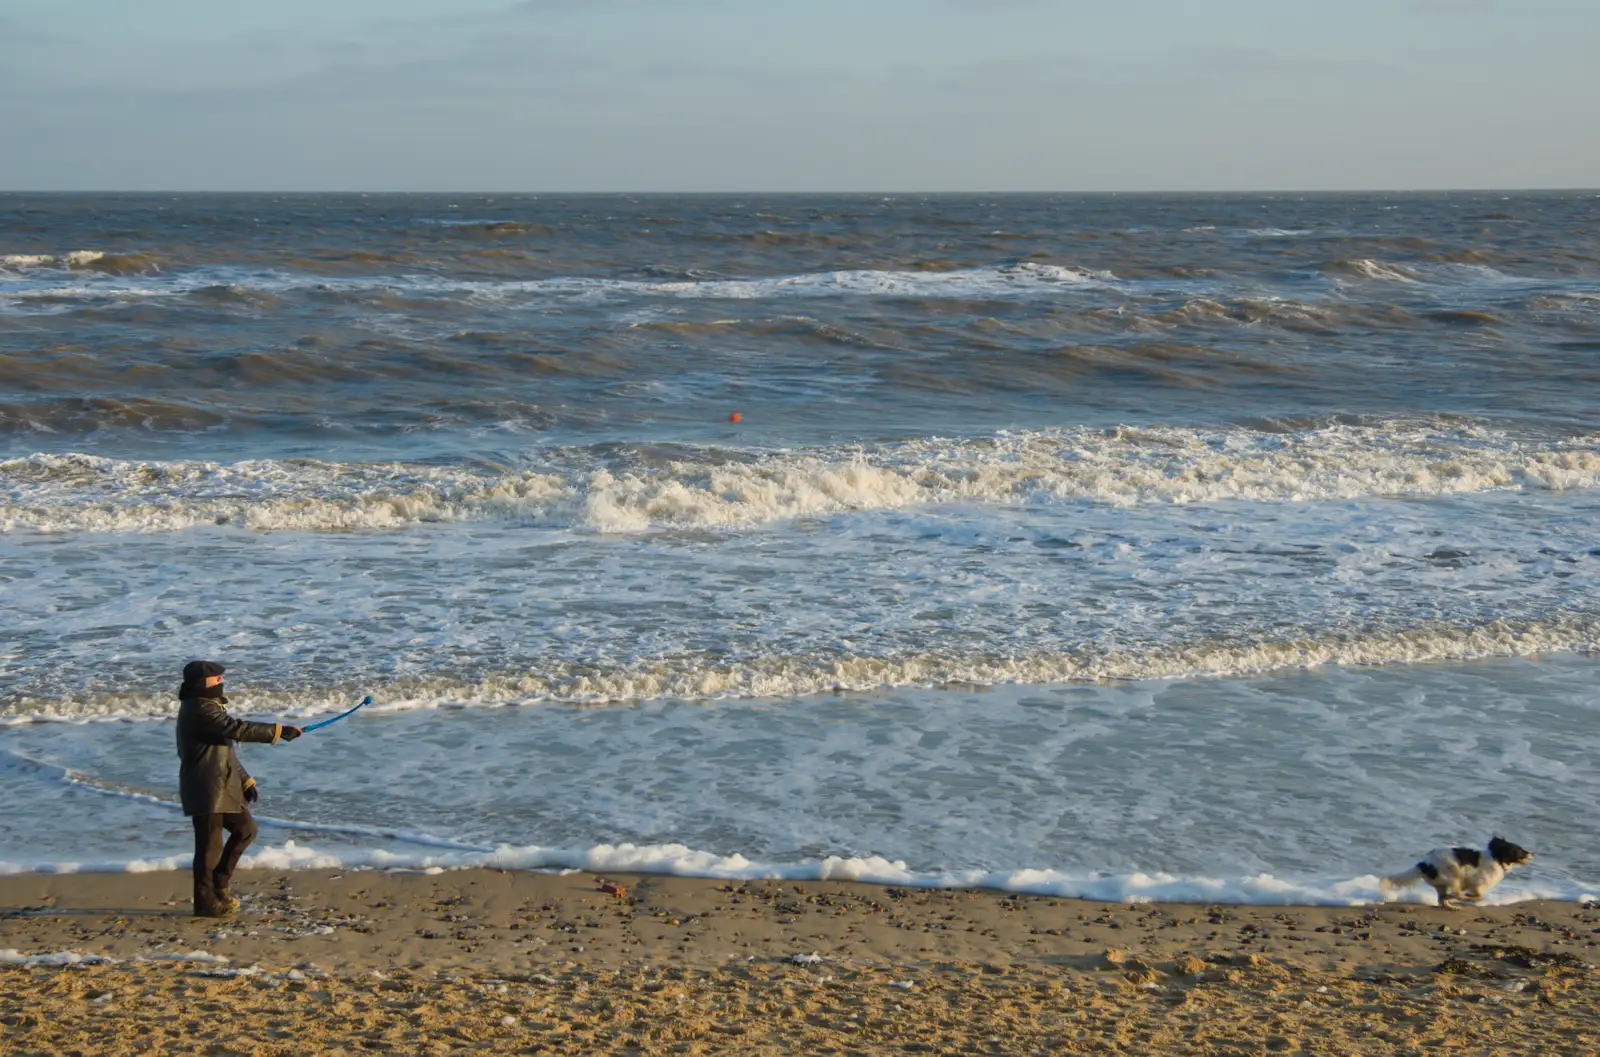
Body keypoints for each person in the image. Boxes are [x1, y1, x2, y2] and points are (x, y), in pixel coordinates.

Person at [175, 660, 303, 918]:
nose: (221, 681)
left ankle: (220, 883)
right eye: (216, 678)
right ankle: (205, 903)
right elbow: (237, 729)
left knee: (246, 830)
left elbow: (223, 751)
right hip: (206, 788)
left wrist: (245, 780)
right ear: (202, 682)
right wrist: (278, 731)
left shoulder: (209, 705)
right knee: (209, 848)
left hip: (222, 785)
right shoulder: (199, 708)